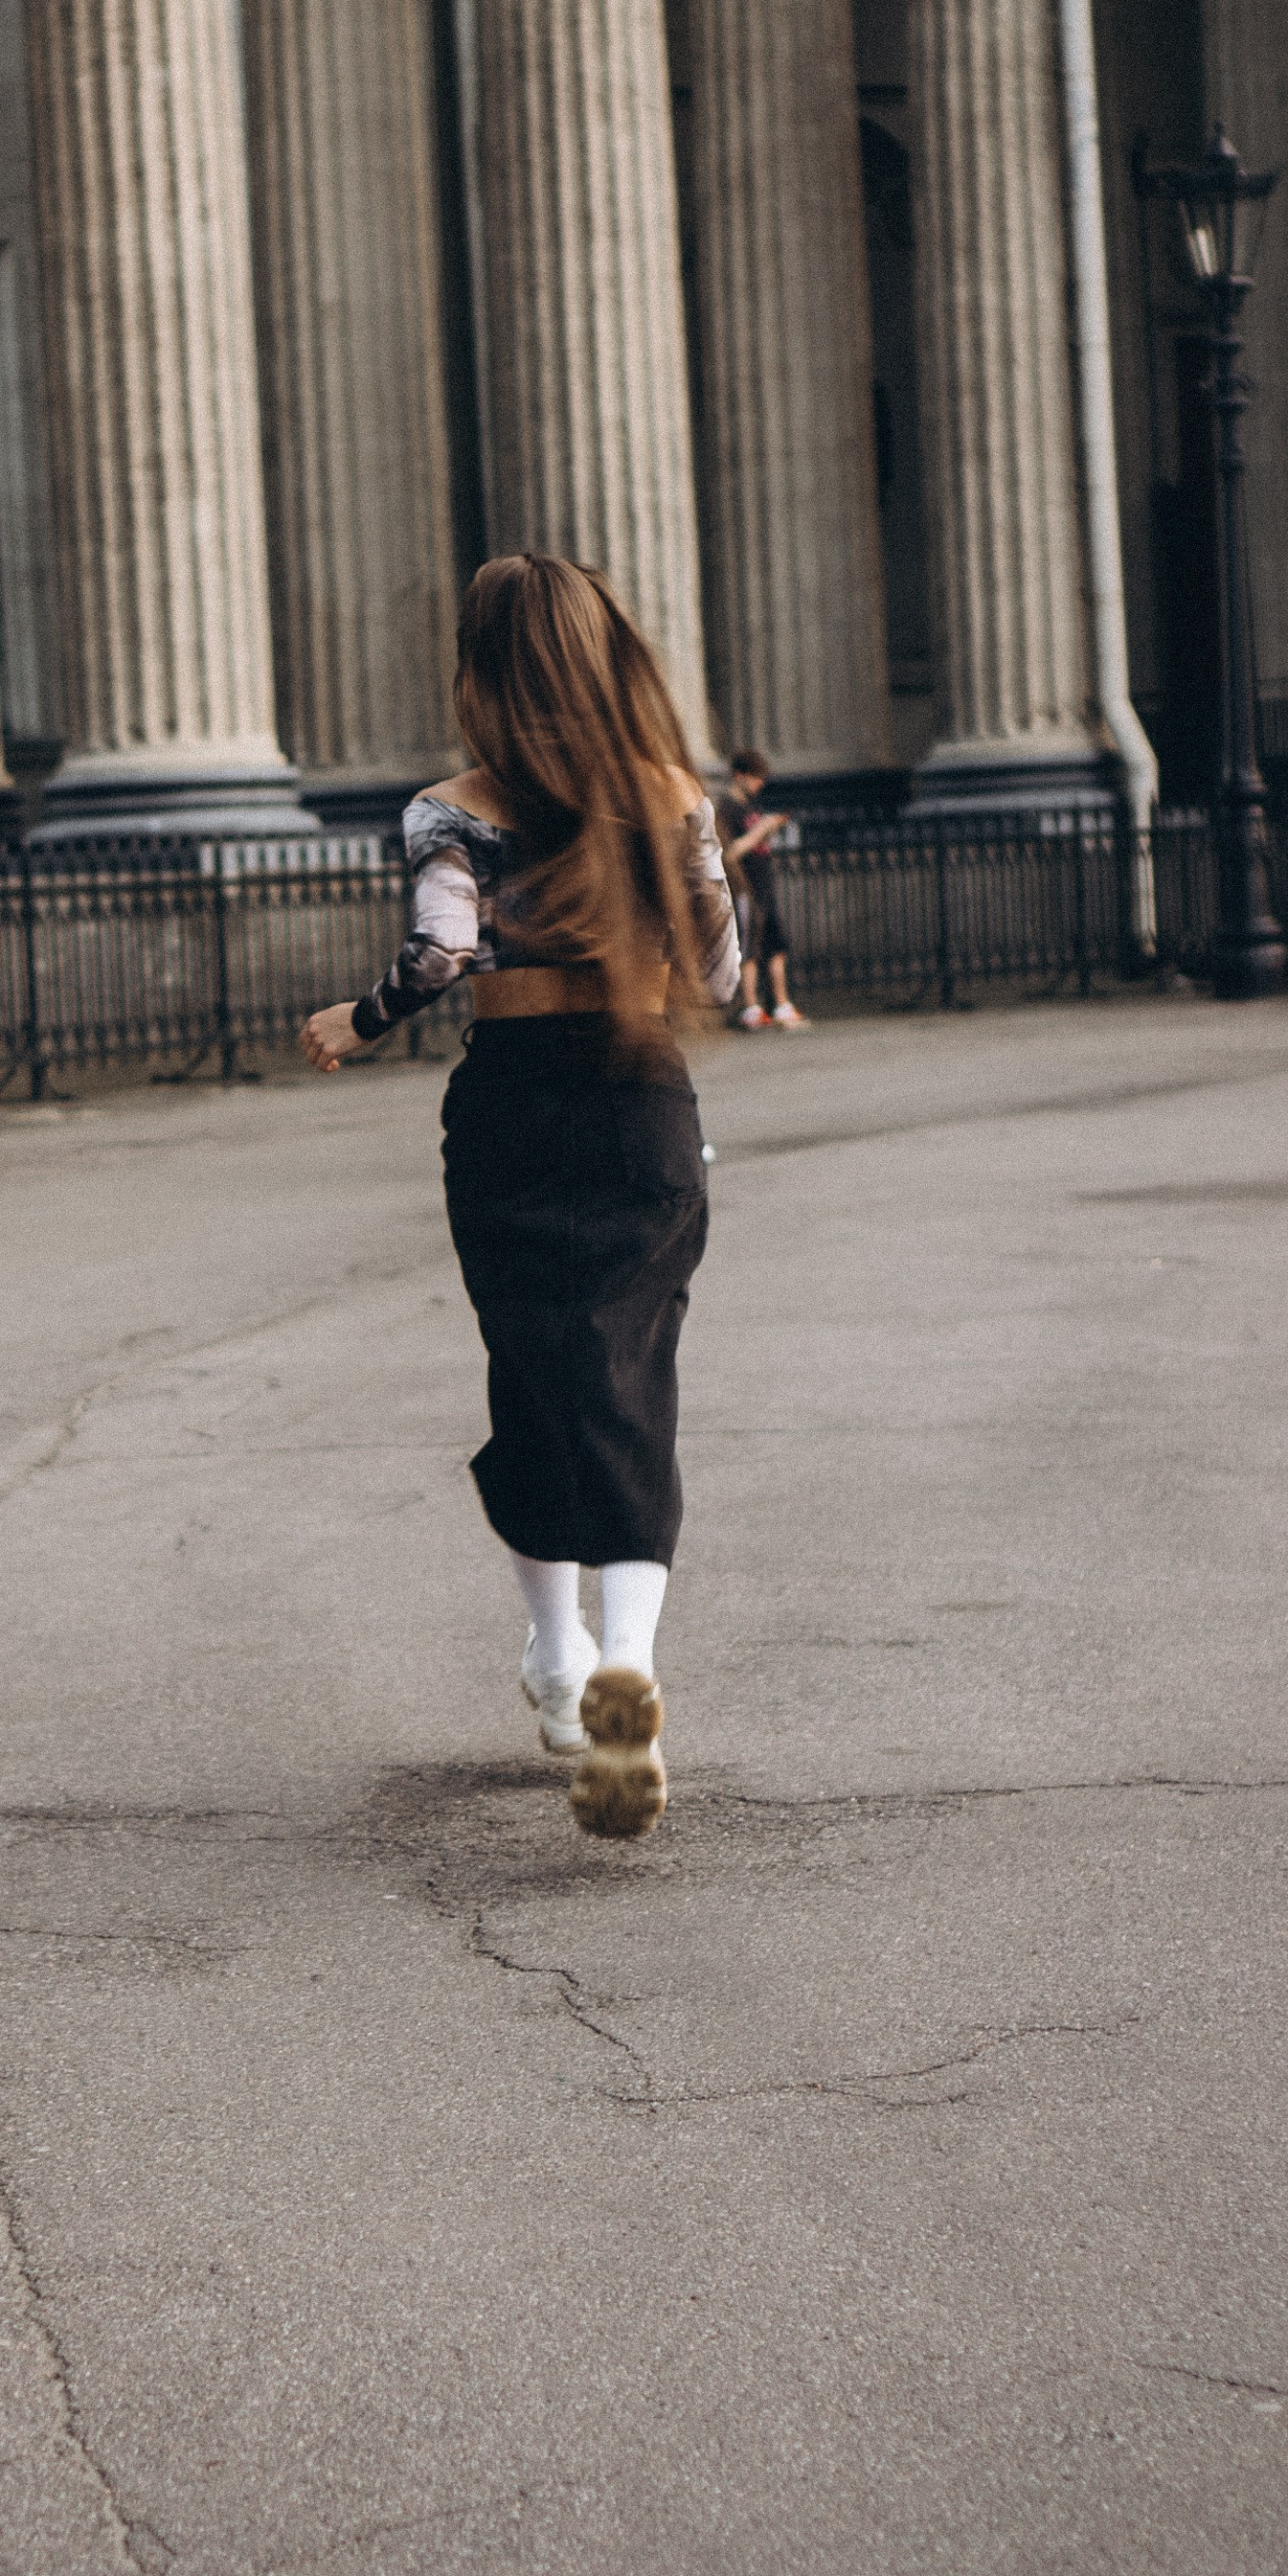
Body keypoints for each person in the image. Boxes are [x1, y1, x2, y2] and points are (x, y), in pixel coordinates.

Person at [301, 555, 738, 1839]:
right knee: (630, 1374)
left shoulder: (452, 806)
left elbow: (442, 950)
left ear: (483, 671)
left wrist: (361, 1017)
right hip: (644, 1099)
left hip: (513, 1109)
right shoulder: (671, 796)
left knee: (532, 1368)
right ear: (609, 660)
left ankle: (556, 1662)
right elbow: (720, 964)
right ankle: (628, 1666)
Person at [715, 748, 808, 1029]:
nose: (760, 784)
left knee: (776, 943)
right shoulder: (727, 810)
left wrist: (768, 829)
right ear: (739, 776)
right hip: (745, 887)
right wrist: (759, 832)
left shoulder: (751, 806)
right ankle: (750, 1006)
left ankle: (781, 1003)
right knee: (749, 947)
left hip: (765, 884)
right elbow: (728, 853)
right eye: (755, 778)